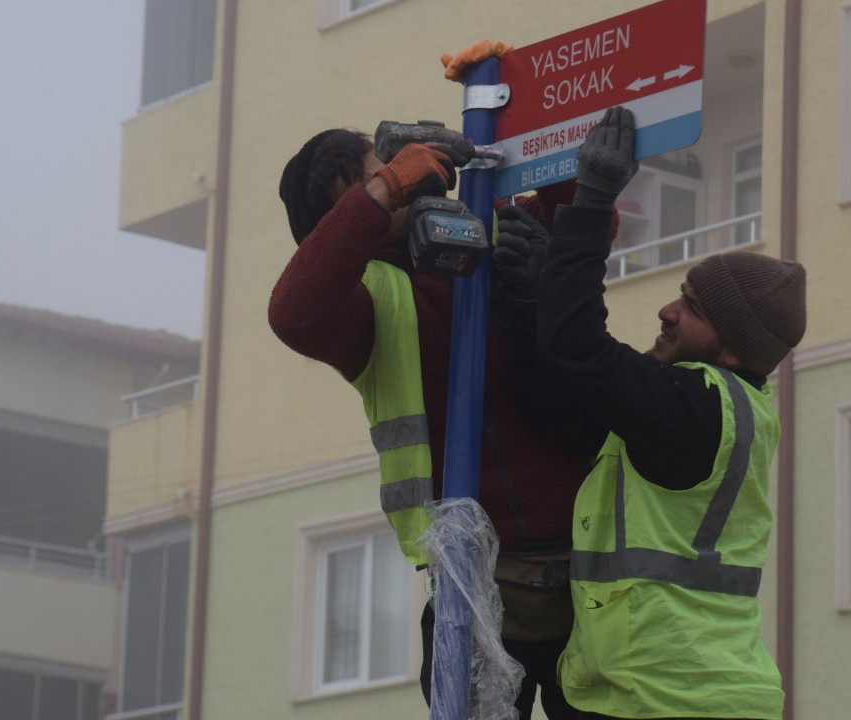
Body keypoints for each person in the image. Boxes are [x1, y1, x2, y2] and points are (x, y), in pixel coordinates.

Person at [268, 125, 602, 720]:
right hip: (480, 589)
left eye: (398, 171)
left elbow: (581, 224)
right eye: (382, 184)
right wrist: (383, 191)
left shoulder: (482, 227)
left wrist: (539, 145)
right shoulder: (368, 304)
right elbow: (294, 312)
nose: (407, 186)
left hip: (597, 569)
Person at [535, 106, 806, 720]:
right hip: (687, 694)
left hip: (662, 698)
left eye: (692, 308)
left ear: (733, 349)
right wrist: (541, 286)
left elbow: (576, 345)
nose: (666, 311)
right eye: (680, 294)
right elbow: (576, 376)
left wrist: (593, 199)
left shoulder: (695, 407)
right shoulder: (727, 409)